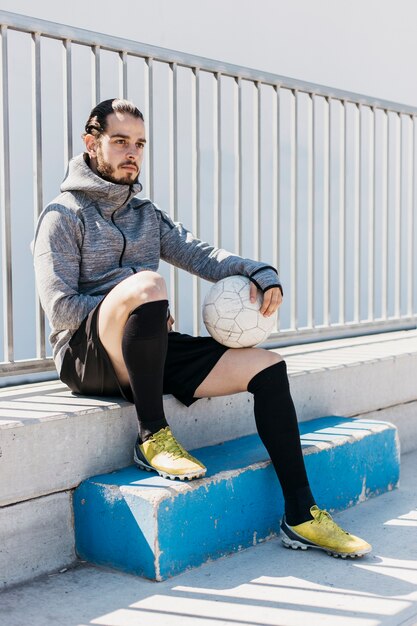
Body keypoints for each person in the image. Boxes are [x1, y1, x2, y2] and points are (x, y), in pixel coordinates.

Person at [33, 98, 371, 558]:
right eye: (119, 142)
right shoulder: (62, 215)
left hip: (144, 352)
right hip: (86, 358)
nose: (131, 152)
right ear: (91, 144)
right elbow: (60, 309)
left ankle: (301, 514)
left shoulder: (146, 214)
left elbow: (201, 254)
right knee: (148, 284)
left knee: (267, 367)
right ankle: (153, 435)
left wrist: (259, 272)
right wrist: (134, 302)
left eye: (139, 144)